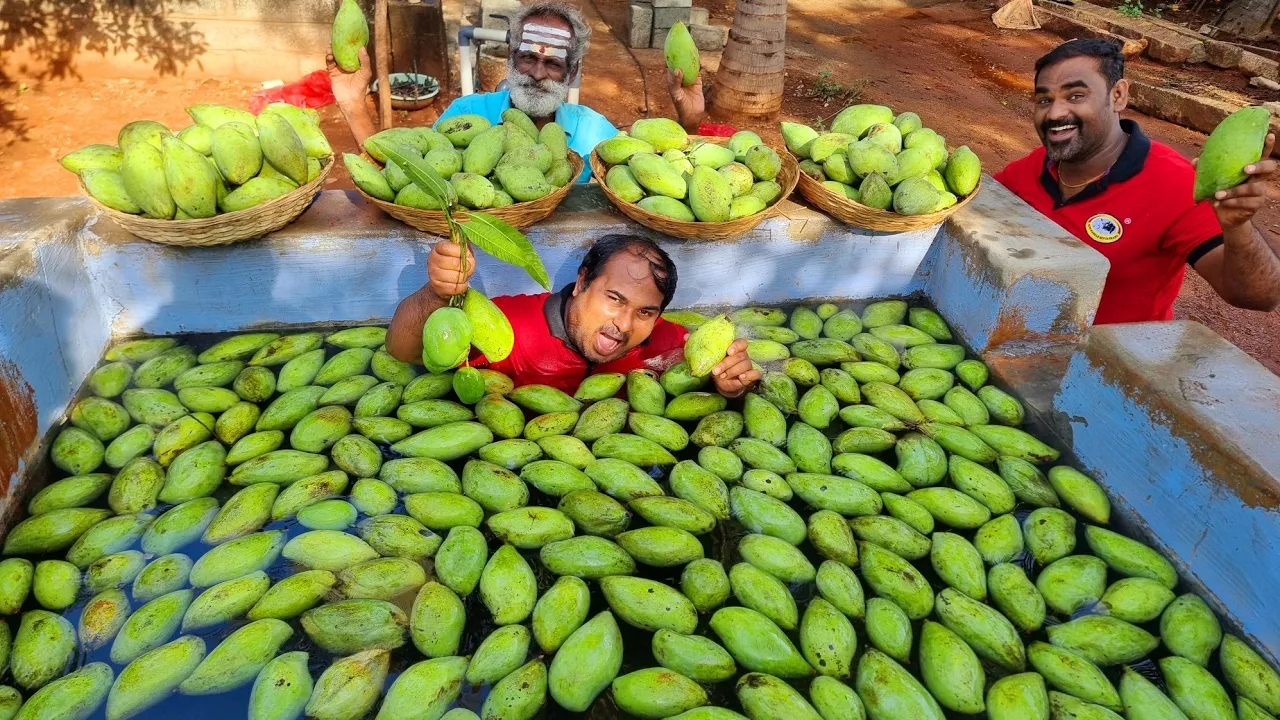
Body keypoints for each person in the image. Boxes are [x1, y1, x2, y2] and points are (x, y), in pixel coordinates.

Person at [996, 38, 1280, 323]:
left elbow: (1260, 296)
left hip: (1107, 360)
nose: (1055, 113)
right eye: (1044, 100)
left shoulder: (1175, 183)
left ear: (1118, 95)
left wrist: (1238, 227)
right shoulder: (1033, 167)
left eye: (1076, 96)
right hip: (1021, 339)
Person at [329, 2, 706, 183]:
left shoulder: (594, 132)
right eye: (526, 58)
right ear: (510, 57)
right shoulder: (465, 115)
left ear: (572, 71)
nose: (538, 73)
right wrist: (352, 103)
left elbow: (661, 175)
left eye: (554, 64)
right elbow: (403, 174)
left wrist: (688, 119)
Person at [385, 235, 759, 397]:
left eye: (645, 311)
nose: (624, 325)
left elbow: (721, 382)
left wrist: (730, 386)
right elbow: (405, 351)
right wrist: (436, 293)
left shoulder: (669, 345)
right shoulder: (511, 326)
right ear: (581, 282)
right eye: (614, 299)